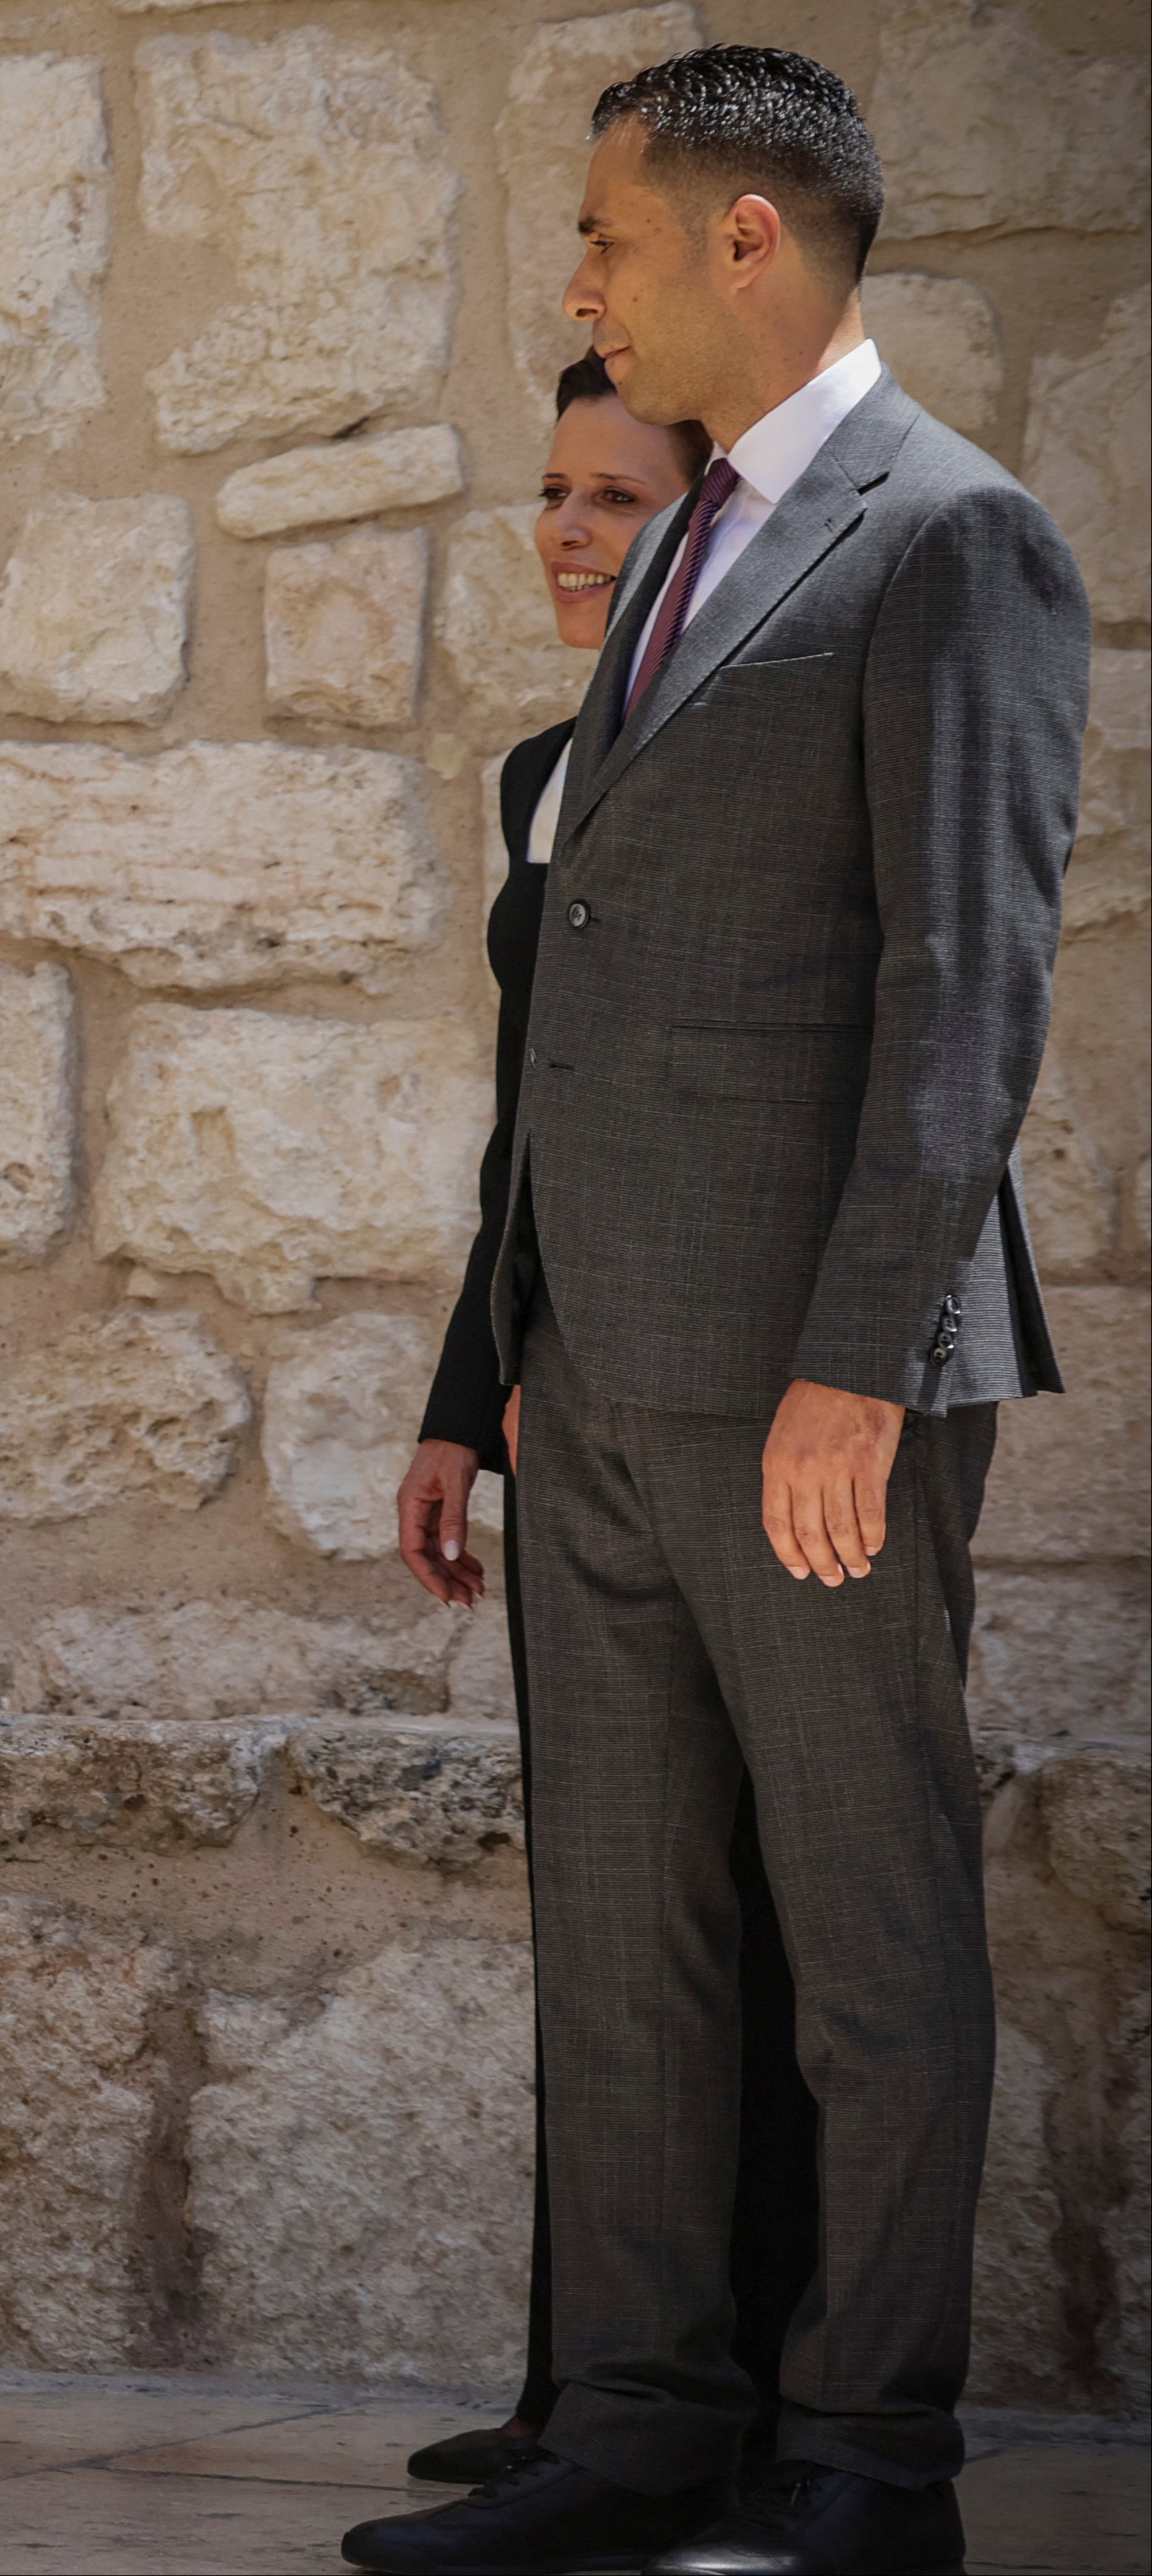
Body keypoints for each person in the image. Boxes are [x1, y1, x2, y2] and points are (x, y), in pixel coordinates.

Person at [345, 47, 1084, 2576]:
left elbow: (964, 996)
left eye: (609, 237)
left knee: (867, 1943)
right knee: (625, 1950)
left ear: (748, 241)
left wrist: (855, 1365)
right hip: (599, 1394)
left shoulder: (946, 540)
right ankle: (634, 2426)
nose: (577, 281)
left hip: (807, 1396)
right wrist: (500, 1371)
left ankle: (869, 2460)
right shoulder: (679, 547)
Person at [391, 354, 825, 2500]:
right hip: (570, 1433)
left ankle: (749, 2414)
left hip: (747, 1416)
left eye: (607, 494)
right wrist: (461, 1400)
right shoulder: (535, 776)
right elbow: (523, 1137)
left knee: (757, 1916)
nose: (563, 531)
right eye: (546, 493)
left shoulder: (762, 762)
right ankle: (598, 2392)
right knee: (612, 1911)